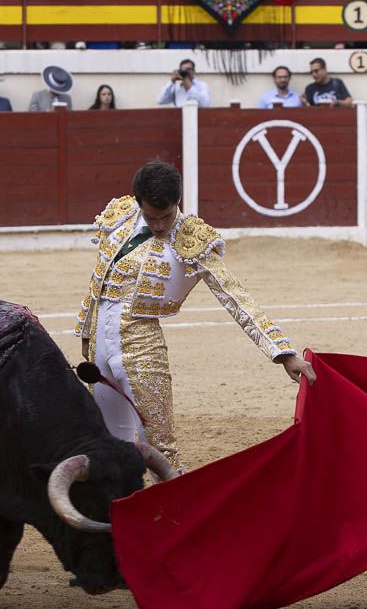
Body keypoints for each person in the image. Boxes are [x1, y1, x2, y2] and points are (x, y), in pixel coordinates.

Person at [74, 160, 316, 472]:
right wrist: (85, 331)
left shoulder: (192, 238)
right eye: (151, 217)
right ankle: (114, 515)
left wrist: (283, 353)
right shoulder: (121, 215)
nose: (160, 225)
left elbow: (235, 296)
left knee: (160, 449)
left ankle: (173, 518)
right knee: (106, 440)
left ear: (178, 202)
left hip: (142, 347)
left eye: (166, 216)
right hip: (99, 346)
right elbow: (100, 279)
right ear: (138, 203)